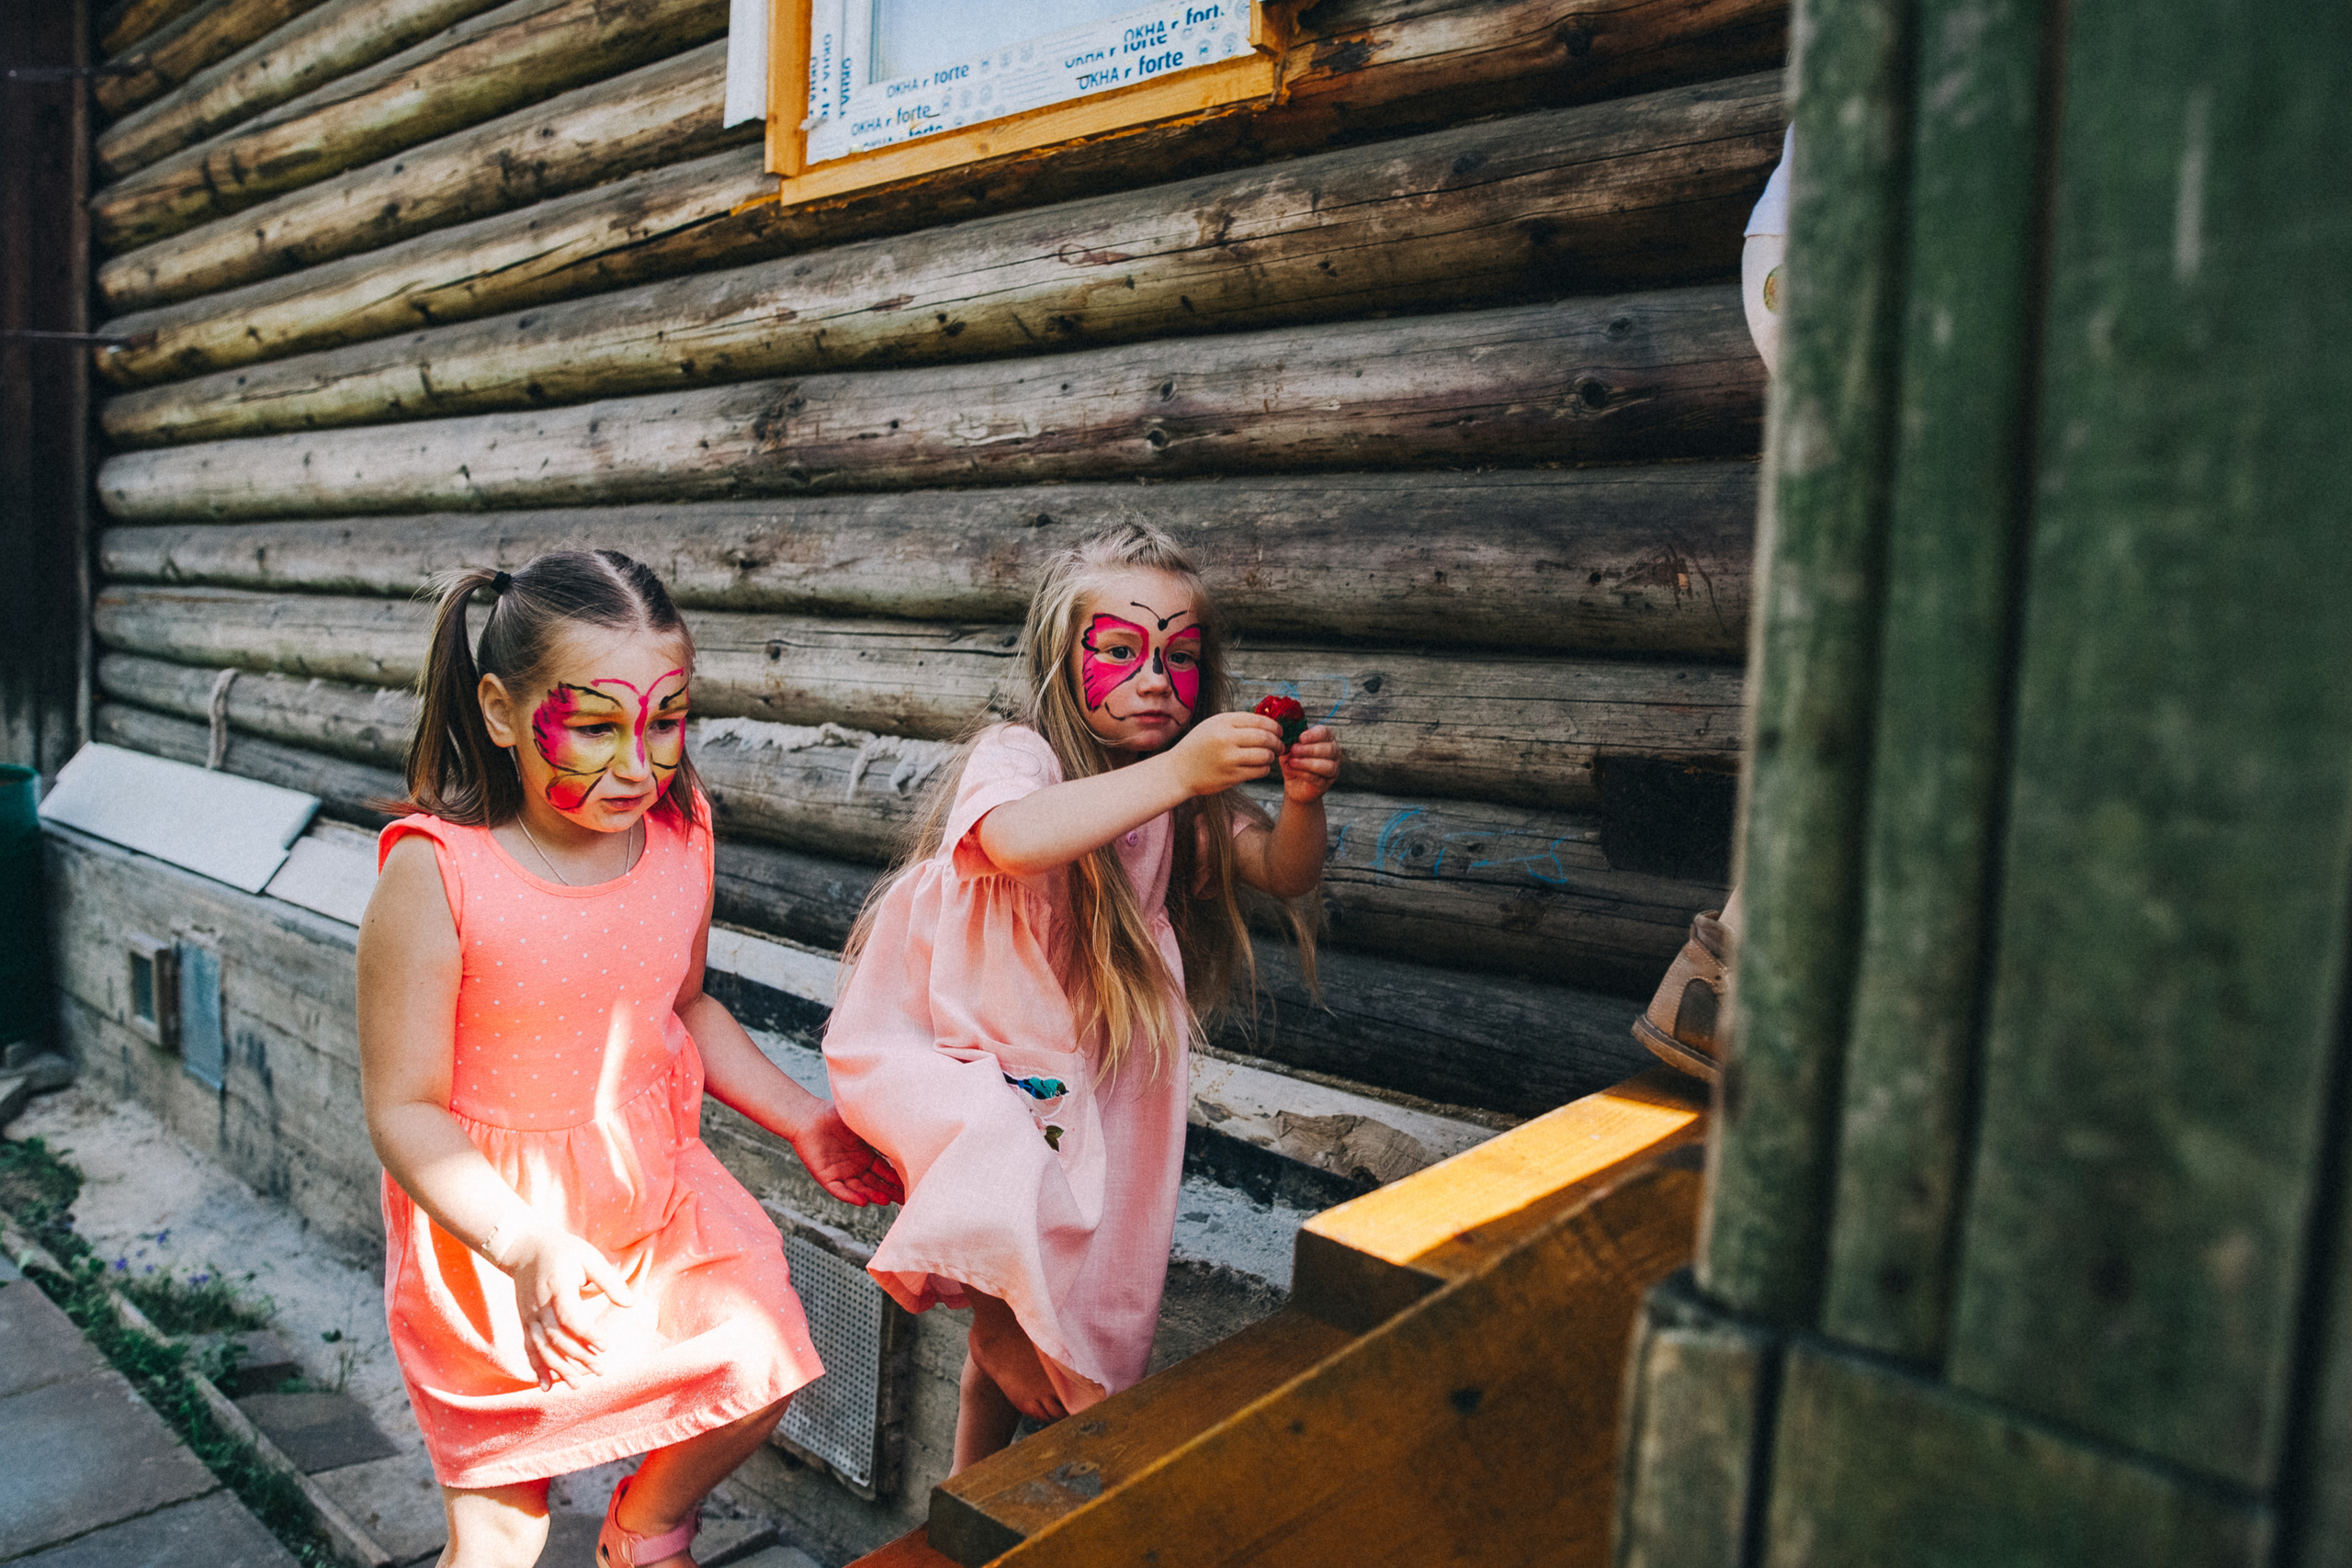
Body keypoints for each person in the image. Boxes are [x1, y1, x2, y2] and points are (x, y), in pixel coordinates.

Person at [356, 550, 902, 1568]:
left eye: (663, 720)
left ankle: (643, 1534)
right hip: (498, 1236)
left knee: (764, 1356)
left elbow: (684, 1003)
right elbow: (404, 1110)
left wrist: (804, 1117)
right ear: (500, 709)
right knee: (502, 1540)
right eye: (596, 725)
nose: (636, 763)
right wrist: (525, 1246)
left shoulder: (681, 832)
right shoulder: (438, 874)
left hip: (653, 1190)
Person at [822, 522, 1337, 1472]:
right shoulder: (1024, 754)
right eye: (1121, 651)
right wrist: (1175, 771)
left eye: (1180, 658)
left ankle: (971, 1498)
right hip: (974, 1036)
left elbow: (1282, 871)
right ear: (1063, 662)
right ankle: (999, 1330)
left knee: (1094, 1254)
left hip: (1096, 1061)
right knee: (998, 1172)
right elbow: (1013, 840)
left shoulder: (1184, 801)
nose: (1155, 679)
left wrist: (1301, 802)